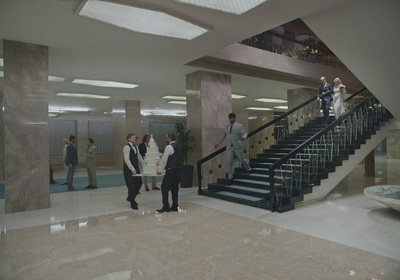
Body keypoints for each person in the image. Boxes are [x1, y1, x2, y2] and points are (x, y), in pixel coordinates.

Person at [215, 112, 251, 181]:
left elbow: (245, 133)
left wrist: (244, 137)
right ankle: (230, 177)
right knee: (229, 162)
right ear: (229, 118)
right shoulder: (226, 126)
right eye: (231, 118)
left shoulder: (239, 126)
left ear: (235, 118)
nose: (232, 119)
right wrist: (217, 143)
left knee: (242, 159)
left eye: (233, 118)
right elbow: (223, 136)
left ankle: (248, 169)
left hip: (237, 146)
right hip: (229, 147)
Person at [156, 133, 182, 213]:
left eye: (166, 138)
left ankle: (166, 207)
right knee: (175, 188)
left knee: (164, 187)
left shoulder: (169, 147)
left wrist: (160, 170)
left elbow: (164, 159)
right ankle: (175, 206)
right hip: (179, 169)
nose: (165, 139)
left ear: (169, 139)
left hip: (171, 170)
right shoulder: (178, 145)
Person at [123, 133, 144, 210]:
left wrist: (144, 165)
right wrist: (132, 169)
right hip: (129, 170)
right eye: (133, 137)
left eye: (135, 137)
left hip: (136, 169)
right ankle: (132, 202)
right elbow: (127, 159)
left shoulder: (136, 147)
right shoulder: (126, 147)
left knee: (139, 183)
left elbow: (139, 157)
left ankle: (130, 197)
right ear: (129, 139)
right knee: (131, 186)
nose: (135, 138)